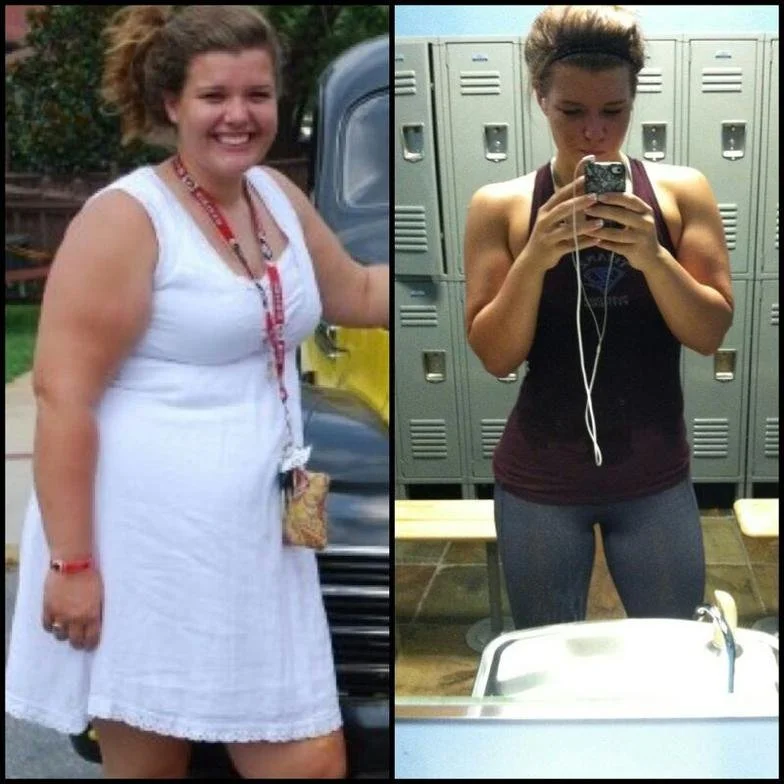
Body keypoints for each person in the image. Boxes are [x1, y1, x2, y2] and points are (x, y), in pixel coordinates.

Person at [5, 5, 388, 779]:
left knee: (310, 761)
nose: (239, 115)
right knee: (153, 763)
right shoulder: (127, 219)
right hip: (147, 540)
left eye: (258, 94)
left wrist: (463, 274)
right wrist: (72, 568)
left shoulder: (274, 196)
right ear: (171, 103)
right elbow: (62, 398)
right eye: (215, 95)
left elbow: (356, 291)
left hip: (260, 533)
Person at [463, 6, 733, 631]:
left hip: (654, 472)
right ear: (540, 98)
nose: (593, 133)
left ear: (634, 101)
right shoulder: (499, 207)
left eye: (613, 111)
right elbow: (497, 355)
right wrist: (536, 256)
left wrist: (653, 256)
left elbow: (709, 332)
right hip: (540, 475)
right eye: (571, 112)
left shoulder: (681, 193)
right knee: (544, 653)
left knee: (671, 648)